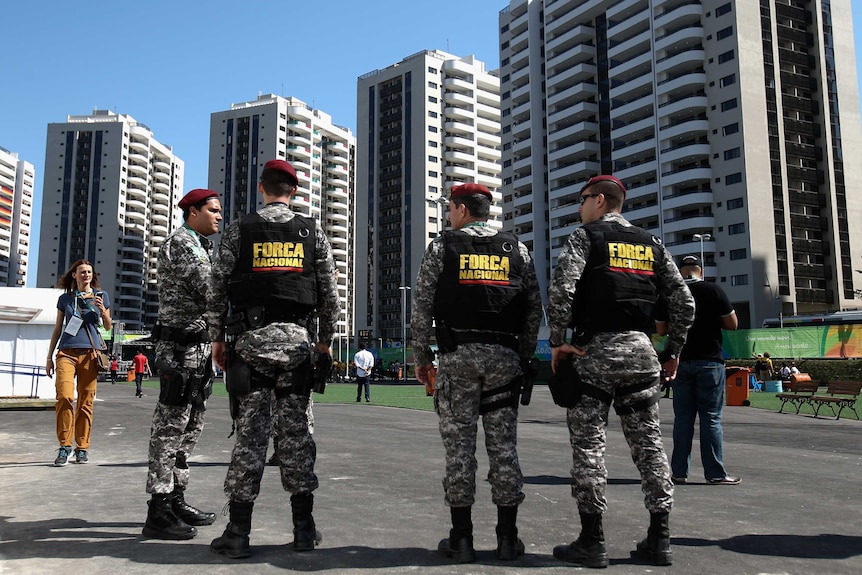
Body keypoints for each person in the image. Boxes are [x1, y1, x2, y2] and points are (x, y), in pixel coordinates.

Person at [546, 175, 694, 568]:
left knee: (590, 448)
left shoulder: (585, 238)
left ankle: (592, 540)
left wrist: (558, 340)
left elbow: (562, 290)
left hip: (593, 351)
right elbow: (684, 303)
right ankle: (659, 538)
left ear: (599, 200)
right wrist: (672, 351)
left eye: (581, 201)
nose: (579, 209)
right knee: (649, 447)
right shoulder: (652, 244)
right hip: (641, 353)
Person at [208, 159, 339, 559]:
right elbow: (329, 292)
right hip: (298, 344)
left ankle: (238, 532)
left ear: (261, 188)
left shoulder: (240, 228)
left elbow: (217, 285)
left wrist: (217, 337)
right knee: (296, 436)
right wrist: (325, 342)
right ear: (294, 191)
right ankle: (303, 529)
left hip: (250, 343)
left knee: (250, 436)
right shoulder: (311, 231)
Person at [411, 182, 543, 563]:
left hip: (458, 358)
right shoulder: (516, 248)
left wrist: (422, 358)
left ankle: (462, 537)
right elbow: (533, 307)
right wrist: (523, 354)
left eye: (450, 208)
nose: (448, 215)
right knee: (504, 449)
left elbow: (422, 308)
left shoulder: (442, 247)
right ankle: (507, 537)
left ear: (463, 210)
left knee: (459, 451)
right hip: (504, 357)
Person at [142, 188, 222, 541]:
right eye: (213, 210)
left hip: (198, 350)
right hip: (180, 349)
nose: (219, 216)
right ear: (193, 212)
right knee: (170, 426)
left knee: (191, 425)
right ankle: (158, 508)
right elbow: (212, 290)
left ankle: (175, 497)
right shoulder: (182, 244)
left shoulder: (200, 246)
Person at [657, 254, 741, 487]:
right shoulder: (714, 291)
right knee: (711, 419)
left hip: (680, 362)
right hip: (710, 362)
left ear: (680, 272)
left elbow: (661, 329)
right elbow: (733, 324)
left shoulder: (669, 293)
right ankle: (714, 473)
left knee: (683, 419)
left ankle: (679, 472)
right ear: (700, 271)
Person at [45, 259, 112, 466]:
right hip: (66, 353)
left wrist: (102, 311)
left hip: (90, 355)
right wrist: (49, 357)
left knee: (85, 403)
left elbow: (108, 327)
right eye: (82, 272)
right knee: (64, 396)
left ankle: (81, 448)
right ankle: (65, 446)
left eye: (89, 272)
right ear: (74, 275)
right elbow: (58, 329)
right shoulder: (65, 299)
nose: (86, 275)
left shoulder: (101, 296)